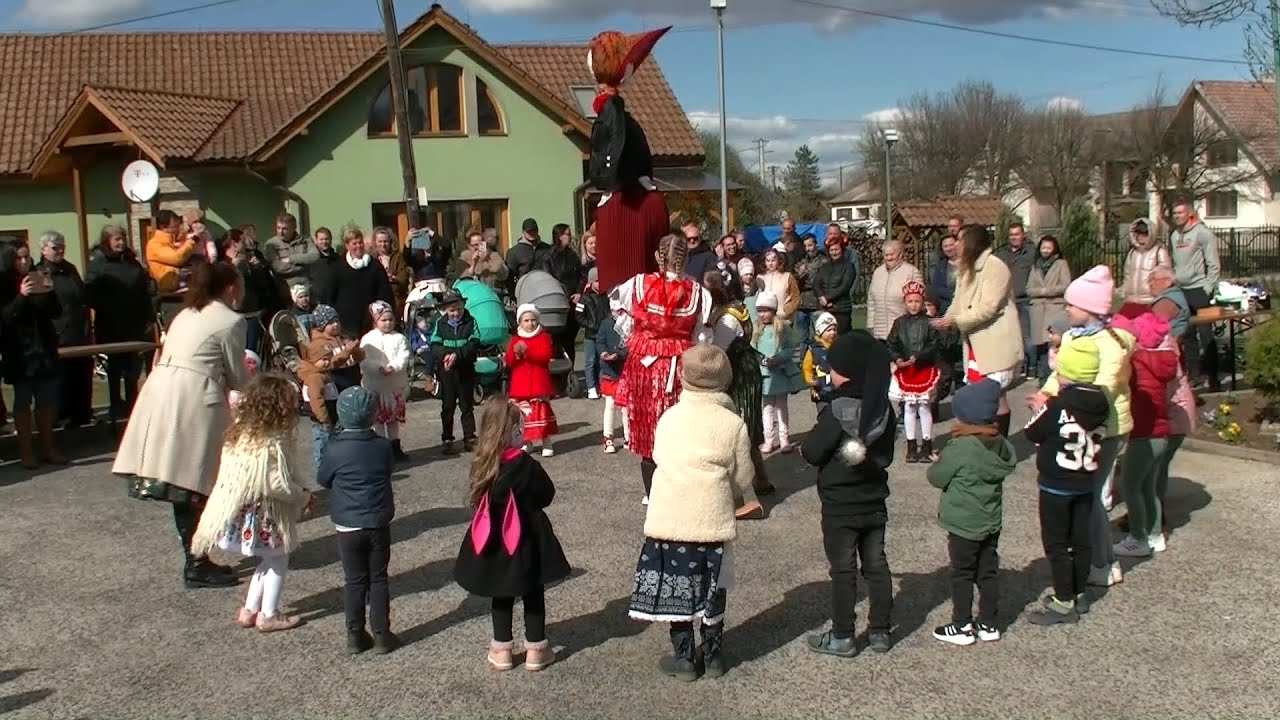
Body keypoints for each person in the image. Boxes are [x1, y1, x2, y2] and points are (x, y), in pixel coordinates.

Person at [114, 262, 248, 588]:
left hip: (162, 392)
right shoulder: (230, 320)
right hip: (193, 398)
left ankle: (197, 557)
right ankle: (197, 562)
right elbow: (237, 376)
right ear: (231, 287)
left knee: (182, 482)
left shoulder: (185, 314)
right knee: (194, 481)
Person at [627, 344, 756, 680]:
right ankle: (713, 656)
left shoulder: (669, 418)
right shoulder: (733, 424)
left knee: (678, 590)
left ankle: (684, 657)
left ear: (683, 377)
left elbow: (658, 456)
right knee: (715, 590)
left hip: (671, 518)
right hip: (713, 521)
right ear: (726, 380)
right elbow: (744, 477)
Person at [1029, 265, 1135, 589]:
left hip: (1105, 427)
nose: (1066, 310)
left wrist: (1066, 402)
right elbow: (1063, 373)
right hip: (1079, 420)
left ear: (1089, 308)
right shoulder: (1075, 337)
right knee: (1087, 495)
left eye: (1071, 305)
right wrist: (1047, 394)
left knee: (1093, 497)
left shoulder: (1109, 343)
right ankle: (1096, 560)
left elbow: (1104, 389)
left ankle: (1102, 563)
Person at [191, 373, 316, 633]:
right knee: (279, 558)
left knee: (268, 558)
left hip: (242, 509)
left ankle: (250, 609)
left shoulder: (241, 434)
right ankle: (269, 614)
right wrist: (303, 496)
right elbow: (275, 484)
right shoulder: (270, 442)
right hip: (263, 514)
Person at [454, 397, 570, 673]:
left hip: (494, 539)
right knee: (533, 591)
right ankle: (536, 649)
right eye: (521, 428)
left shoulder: (483, 463)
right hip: (528, 536)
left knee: (501, 593)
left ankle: (502, 649)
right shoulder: (525, 464)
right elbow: (547, 494)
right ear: (513, 432)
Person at [801, 331, 896, 658]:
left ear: (850, 373)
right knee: (876, 565)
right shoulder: (882, 409)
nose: (830, 372)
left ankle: (843, 635)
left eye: (835, 368)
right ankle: (880, 631)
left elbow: (813, 451)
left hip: (840, 505)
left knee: (843, 570)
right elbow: (886, 456)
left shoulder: (836, 411)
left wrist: (806, 448)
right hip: (873, 500)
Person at [613, 233, 712, 502]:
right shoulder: (698, 293)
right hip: (679, 365)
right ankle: (680, 492)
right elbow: (702, 337)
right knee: (679, 425)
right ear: (685, 258)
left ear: (658, 256)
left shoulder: (637, 285)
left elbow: (622, 317)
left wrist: (644, 337)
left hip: (644, 365)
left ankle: (652, 494)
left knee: (648, 428)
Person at [1024, 339, 1109, 625]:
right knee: (1081, 541)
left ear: (1067, 374)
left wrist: (1040, 407)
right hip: (1085, 481)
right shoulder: (1103, 404)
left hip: (1055, 485)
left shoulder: (1057, 405)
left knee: (1057, 544)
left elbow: (1032, 433)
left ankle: (1063, 601)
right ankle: (1079, 591)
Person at [927, 379, 1015, 645]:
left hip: (964, 522)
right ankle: (988, 623)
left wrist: (940, 461)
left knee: (962, 573)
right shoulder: (1000, 444)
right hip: (990, 520)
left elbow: (937, 477)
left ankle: (962, 624)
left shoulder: (961, 447)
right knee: (987, 571)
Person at [586, 26, 672, 292]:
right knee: (645, 288)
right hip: (641, 201)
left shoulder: (611, 111)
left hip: (627, 207)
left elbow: (612, 157)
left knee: (627, 291)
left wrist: (606, 178)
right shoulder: (621, 115)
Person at [318, 386, 398, 655]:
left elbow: (323, 479)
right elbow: (388, 470)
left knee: (354, 580)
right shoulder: (382, 446)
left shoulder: (334, 449)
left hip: (347, 523)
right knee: (378, 578)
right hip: (377, 520)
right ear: (372, 414)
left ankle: (354, 634)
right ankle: (382, 634)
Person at [932, 225, 1024, 439]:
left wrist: (955, 321)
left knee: (995, 395)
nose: (956, 244)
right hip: (975, 342)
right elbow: (958, 301)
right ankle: (983, 440)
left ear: (971, 242)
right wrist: (945, 319)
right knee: (979, 393)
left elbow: (988, 308)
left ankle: (999, 443)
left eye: (960, 240)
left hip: (995, 340)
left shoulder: (995, 267)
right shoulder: (966, 268)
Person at [1109, 308, 1178, 558]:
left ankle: (1137, 537)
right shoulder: (1159, 361)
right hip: (1160, 433)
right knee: (1149, 489)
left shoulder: (1135, 363)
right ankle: (1155, 535)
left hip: (1142, 434)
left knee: (1131, 487)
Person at [701, 272, 771, 517]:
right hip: (743, 369)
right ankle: (761, 479)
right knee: (747, 424)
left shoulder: (727, 319)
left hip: (740, 374)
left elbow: (717, 351)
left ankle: (744, 496)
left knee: (739, 427)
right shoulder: (734, 308)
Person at [0, 239, 64, 467]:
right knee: (23, 402)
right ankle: (26, 452)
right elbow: (5, 317)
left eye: (26, 256)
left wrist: (49, 292)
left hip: (43, 349)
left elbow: (56, 312)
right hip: (19, 352)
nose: (24, 261)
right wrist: (22, 295)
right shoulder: (3, 282)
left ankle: (49, 448)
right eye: (19, 257)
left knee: (46, 401)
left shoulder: (37, 275)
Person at [85, 224, 155, 426]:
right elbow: (90, 294)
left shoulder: (132, 262)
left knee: (133, 369)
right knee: (114, 370)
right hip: (110, 325)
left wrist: (148, 316)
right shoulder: (98, 264)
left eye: (123, 239)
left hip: (133, 324)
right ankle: (115, 407)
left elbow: (144, 290)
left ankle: (133, 405)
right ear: (107, 241)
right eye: (116, 239)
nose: (121, 243)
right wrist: (110, 305)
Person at [35, 231, 93, 428]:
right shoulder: (40, 272)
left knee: (81, 378)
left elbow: (81, 297)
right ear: (43, 249)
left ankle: (82, 417)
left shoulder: (70, 269)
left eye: (62, 247)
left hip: (78, 333)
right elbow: (41, 307)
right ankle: (60, 419)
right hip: (57, 336)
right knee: (61, 381)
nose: (59, 251)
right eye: (55, 247)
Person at [298, 305, 364, 469]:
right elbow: (329, 365)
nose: (336, 325)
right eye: (330, 322)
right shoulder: (319, 345)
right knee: (325, 437)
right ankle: (325, 467)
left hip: (349, 378)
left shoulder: (343, 338)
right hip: (336, 381)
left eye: (337, 321)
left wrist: (355, 350)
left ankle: (346, 460)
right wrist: (345, 353)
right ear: (321, 325)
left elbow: (360, 357)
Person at [886, 281, 942, 463]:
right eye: (910, 301)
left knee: (924, 407)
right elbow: (891, 344)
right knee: (909, 407)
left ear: (923, 302)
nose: (913, 305)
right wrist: (898, 359)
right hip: (906, 370)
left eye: (917, 301)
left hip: (924, 368)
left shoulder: (929, 323)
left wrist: (919, 357)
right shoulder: (899, 323)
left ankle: (926, 444)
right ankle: (911, 445)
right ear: (905, 302)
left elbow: (934, 344)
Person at [1169, 201, 1221, 391]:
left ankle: (1213, 377)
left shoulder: (1202, 233)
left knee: (1206, 334)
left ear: (1189, 214)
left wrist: (1208, 287)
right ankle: (1194, 375)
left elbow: (1213, 263)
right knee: (1187, 334)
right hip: (1182, 290)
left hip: (1199, 289)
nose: (1176, 216)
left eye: (1180, 212)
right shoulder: (1175, 235)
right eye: (1174, 213)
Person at [430, 290, 481, 455]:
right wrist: (444, 355)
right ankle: (447, 438)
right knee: (447, 405)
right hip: (447, 370)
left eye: (459, 309)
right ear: (445, 309)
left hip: (465, 368)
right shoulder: (440, 323)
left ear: (463, 306)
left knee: (467, 405)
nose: (456, 313)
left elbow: (474, 343)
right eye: (452, 310)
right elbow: (434, 344)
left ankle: (469, 437)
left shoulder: (471, 321)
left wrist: (457, 355)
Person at [359, 301, 410, 461]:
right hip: (375, 386)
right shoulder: (368, 339)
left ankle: (395, 447)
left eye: (390, 319)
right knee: (378, 420)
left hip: (394, 385)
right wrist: (378, 368)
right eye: (383, 320)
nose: (388, 323)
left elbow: (404, 356)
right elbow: (364, 360)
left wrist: (393, 367)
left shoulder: (400, 338)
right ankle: (381, 449)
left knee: (393, 419)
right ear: (375, 321)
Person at [753, 291, 803, 455]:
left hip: (780, 373)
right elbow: (752, 349)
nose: (762, 314)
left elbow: (790, 347)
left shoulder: (783, 328)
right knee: (767, 408)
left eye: (766, 310)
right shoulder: (756, 329)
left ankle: (784, 439)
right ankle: (768, 440)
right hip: (764, 374)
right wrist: (761, 360)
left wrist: (779, 358)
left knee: (782, 407)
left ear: (773, 310)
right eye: (759, 310)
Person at [506, 304, 559, 457]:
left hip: (538, 383)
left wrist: (527, 352)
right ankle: (527, 442)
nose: (530, 323)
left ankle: (546, 442)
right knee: (524, 416)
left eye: (533, 320)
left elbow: (545, 357)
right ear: (520, 323)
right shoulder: (515, 339)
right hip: (521, 385)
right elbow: (509, 361)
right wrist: (515, 354)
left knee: (541, 414)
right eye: (526, 320)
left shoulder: (543, 337)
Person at [221, 228, 277, 355]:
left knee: (252, 355)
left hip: (253, 315)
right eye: (242, 241)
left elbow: (263, 285)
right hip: (234, 316)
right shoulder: (223, 264)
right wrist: (233, 267)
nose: (245, 244)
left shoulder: (249, 260)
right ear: (234, 244)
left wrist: (257, 268)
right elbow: (223, 287)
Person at [1026, 235, 1073, 383]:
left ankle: (1052, 378)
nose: (1045, 250)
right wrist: (1040, 292)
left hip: (1055, 309)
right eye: (1043, 247)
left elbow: (1065, 285)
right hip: (1038, 311)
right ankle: (1042, 379)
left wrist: (1045, 291)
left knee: (1053, 345)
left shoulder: (1061, 264)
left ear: (1054, 249)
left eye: (1048, 247)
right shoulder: (1035, 265)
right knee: (1040, 348)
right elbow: (1029, 289)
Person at [332, 228, 395, 337]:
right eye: (354, 243)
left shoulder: (375, 265)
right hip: (346, 324)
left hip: (371, 321)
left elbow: (385, 292)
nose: (358, 246)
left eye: (360, 242)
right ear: (347, 246)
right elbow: (331, 293)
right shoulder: (338, 266)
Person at [996, 222, 1036, 378]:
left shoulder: (1031, 252)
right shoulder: (1002, 254)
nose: (1014, 237)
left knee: (1027, 336)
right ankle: (1018, 366)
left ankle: (1032, 366)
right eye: (1011, 235)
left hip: (1025, 300)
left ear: (1023, 235)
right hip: (1007, 301)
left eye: (1017, 234)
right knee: (1011, 336)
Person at [867, 239, 923, 341]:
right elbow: (871, 301)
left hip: (902, 331)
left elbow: (919, 300)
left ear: (900, 254)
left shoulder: (911, 271)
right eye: (886, 255)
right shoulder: (878, 272)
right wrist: (871, 324)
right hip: (879, 331)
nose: (889, 258)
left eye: (892, 254)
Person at [596, 296, 630, 453]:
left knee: (626, 408)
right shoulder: (606, 324)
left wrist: (620, 354)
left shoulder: (629, 324)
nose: (618, 313)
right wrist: (603, 353)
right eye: (615, 311)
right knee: (610, 405)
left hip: (624, 370)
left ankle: (628, 437)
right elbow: (600, 341)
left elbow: (631, 345)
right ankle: (608, 437)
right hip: (609, 371)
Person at [261, 212, 319, 290]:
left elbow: (315, 256)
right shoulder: (271, 244)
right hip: (285, 287)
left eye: (284, 229)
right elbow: (279, 267)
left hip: (307, 285)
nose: (280, 232)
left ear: (293, 228)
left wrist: (290, 259)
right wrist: (305, 266)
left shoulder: (305, 240)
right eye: (278, 228)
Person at [576, 267, 609, 400]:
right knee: (590, 360)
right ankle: (591, 387)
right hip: (590, 335)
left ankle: (601, 385)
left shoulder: (606, 296)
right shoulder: (584, 298)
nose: (599, 283)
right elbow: (578, 316)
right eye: (596, 281)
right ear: (591, 282)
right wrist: (590, 325)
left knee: (602, 360)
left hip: (603, 334)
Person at [145, 209, 197, 294]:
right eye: (175, 226)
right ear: (162, 227)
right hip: (168, 290)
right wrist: (193, 240)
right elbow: (177, 259)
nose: (178, 229)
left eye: (178, 225)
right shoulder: (154, 243)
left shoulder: (169, 242)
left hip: (176, 286)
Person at [1121, 218, 1171, 305]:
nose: (1141, 236)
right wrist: (1124, 292)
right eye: (1138, 233)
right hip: (1131, 299)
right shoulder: (1132, 253)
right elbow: (1127, 275)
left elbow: (1165, 278)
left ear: (1151, 234)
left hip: (1151, 300)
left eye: (1145, 233)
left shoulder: (1159, 252)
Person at [811, 238, 856, 334]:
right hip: (825, 309)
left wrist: (827, 298)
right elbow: (816, 284)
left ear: (842, 250)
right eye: (831, 250)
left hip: (841, 310)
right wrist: (821, 297)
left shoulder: (848, 266)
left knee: (841, 338)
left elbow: (844, 287)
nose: (834, 253)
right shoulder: (824, 266)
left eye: (836, 249)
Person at [371, 227, 412, 318]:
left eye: (385, 241)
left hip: (395, 300)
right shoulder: (371, 259)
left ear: (390, 242)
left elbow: (403, 278)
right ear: (375, 242)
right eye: (380, 241)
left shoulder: (398, 257)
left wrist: (394, 279)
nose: (383, 244)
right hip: (376, 302)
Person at [794, 232, 828, 340]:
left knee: (820, 335)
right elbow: (794, 282)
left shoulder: (823, 261)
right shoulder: (801, 262)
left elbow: (820, 281)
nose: (808, 249)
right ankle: (804, 352)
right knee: (802, 338)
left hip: (816, 303)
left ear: (815, 244)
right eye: (805, 246)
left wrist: (807, 276)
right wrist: (799, 275)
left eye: (810, 245)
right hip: (801, 304)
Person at [801, 311, 838, 407]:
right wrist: (809, 379)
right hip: (819, 389)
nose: (832, 333)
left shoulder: (839, 347)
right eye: (828, 330)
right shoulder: (813, 349)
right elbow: (806, 367)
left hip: (837, 390)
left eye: (834, 330)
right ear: (820, 332)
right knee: (823, 411)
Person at [758, 249, 800, 322]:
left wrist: (788, 310)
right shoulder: (760, 277)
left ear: (778, 261)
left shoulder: (787, 276)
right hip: (764, 320)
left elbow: (796, 296)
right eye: (768, 261)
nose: (770, 263)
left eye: (773, 260)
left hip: (783, 319)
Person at [309, 227, 342, 308]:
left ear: (331, 240)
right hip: (317, 304)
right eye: (321, 239)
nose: (324, 242)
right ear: (316, 241)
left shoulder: (339, 259)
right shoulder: (312, 260)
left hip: (336, 303)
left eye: (326, 239)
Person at [928, 234, 959, 315]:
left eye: (951, 245)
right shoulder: (939, 266)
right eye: (945, 246)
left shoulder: (968, 263)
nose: (949, 249)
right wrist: (955, 295)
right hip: (947, 308)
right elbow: (937, 288)